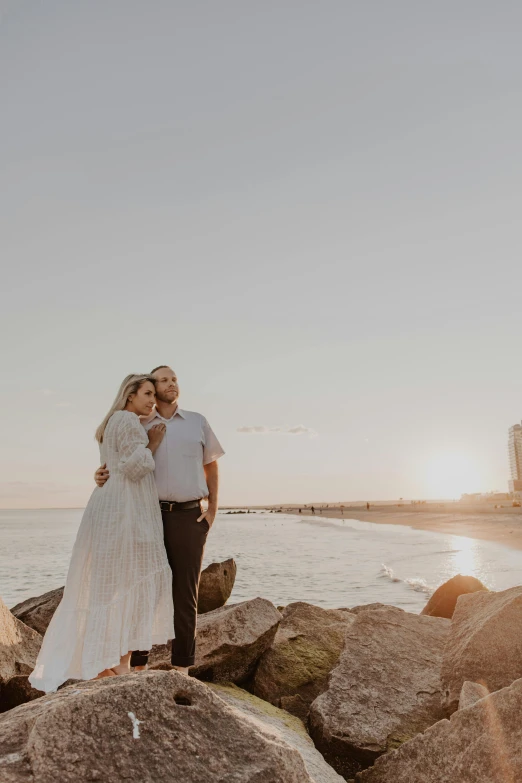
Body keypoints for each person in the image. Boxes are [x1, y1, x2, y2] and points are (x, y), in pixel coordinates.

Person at [29, 375, 174, 693]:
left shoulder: (112, 422)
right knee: (126, 581)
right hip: (123, 511)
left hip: (111, 507)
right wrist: (153, 444)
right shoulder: (127, 420)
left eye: (154, 395)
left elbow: (115, 466)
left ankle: (109, 660)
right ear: (129, 396)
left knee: (110, 585)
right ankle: (110, 662)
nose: (152, 400)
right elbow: (135, 468)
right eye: (147, 394)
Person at [95, 365, 224, 674]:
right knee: (145, 590)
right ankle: (139, 664)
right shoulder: (136, 424)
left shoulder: (197, 422)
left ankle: (182, 668)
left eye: (174, 378)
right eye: (163, 380)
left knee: (185, 593)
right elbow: (118, 464)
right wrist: (99, 475)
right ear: (149, 390)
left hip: (189, 516)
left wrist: (212, 510)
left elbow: (212, 467)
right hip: (146, 516)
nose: (171, 384)